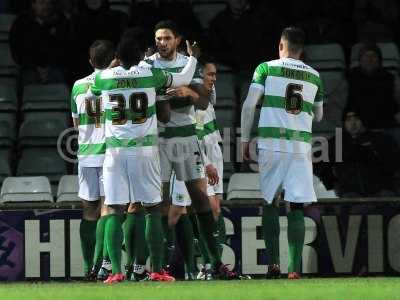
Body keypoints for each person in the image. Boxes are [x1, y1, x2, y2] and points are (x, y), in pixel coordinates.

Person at [88, 37, 199, 284]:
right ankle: (157, 269)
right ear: (140, 55)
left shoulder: (104, 77)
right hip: (145, 151)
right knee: (152, 209)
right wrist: (192, 58)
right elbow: (182, 79)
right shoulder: (150, 73)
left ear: (118, 55)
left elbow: (94, 90)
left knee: (115, 209)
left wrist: (114, 66)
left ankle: (116, 271)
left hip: (115, 153)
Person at [140, 20, 237, 280]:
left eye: (167, 38)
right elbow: (152, 105)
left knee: (200, 201)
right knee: (159, 203)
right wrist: (179, 95)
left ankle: (214, 263)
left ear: (177, 39)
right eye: (158, 38)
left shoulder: (186, 62)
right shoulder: (147, 65)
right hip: (158, 142)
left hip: (186, 140)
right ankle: (157, 268)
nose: (162, 43)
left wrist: (184, 94)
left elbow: (203, 100)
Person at [241, 27, 324, 280]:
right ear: (302, 50)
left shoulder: (266, 68)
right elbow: (319, 116)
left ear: (281, 45)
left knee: (269, 201)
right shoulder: (314, 76)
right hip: (300, 146)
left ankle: (273, 265)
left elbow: (249, 105)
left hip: (271, 142)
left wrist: (245, 139)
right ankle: (294, 269)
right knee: (296, 204)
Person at [70, 40, 114, 280]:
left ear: (90, 61)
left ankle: (88, 268)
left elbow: (76, 124)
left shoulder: (78, 85)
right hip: (110, 153)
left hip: (86, 154)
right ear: (113, 59)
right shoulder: (114, 82)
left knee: (89, 211)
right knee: (108, 210)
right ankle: (101, 268)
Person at [314, 110, 400, 197]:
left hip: (382, 194)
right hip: (351, 195)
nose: (353, 123)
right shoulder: (337, 143)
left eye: (357, 119)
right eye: (348, 120)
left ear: (363, 120)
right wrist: (332, 183)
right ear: (344, 123)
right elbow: (316, 162)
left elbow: (394, 163)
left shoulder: (380, 139)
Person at [9, 0, 71, 85]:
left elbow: (66, 49)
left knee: (59, 76)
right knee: (29, 77)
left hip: (55, 67)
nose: (46, 6)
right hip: (29, 68)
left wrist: (48, 67)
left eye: (49, 3)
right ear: (33, 4)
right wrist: (35, 67)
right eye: (42, 3)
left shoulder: (61, 21)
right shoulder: (21, 22)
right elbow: (17, 50)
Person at [347, 43, 400, 132]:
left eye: (374, 56)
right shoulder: (350, 78)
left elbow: (396, 104)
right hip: (357, 126)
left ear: (379, 60)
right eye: (366, 56)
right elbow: (343, 105)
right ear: (360, 60)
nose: (370, 59)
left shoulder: (390, 78)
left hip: (388, 126)